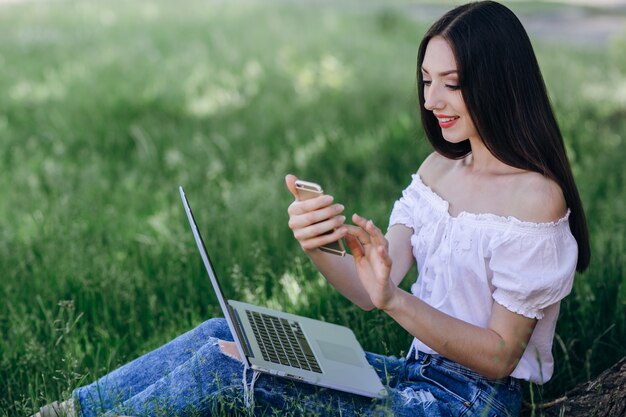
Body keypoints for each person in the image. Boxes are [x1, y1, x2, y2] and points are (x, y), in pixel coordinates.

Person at [33, 1, 590, 416]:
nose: (430, 101)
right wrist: (318, 243)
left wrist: (394, 299)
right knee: (220, 333)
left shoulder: (535, 198)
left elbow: (496, 356)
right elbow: (368, 290)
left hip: (474, 403)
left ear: (498, 84)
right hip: (419, 374)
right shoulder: (439, 170)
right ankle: (71, 410)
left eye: (451, 84)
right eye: (425, 81)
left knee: (225, 369)